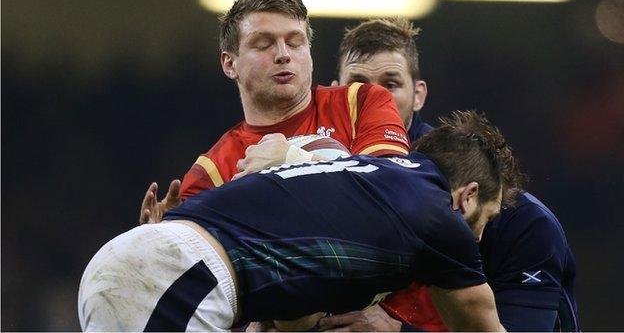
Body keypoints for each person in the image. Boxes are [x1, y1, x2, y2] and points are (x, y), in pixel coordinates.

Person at [79, 111, 516, 332]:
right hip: (177, 277)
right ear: (468, 196)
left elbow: (294, 313)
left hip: (155, 267)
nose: (477, 238)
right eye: (486, 220)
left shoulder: (365, 185)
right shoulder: (437, 215)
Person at [320, 18, 579, 331]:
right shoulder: (317, 187)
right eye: (358, 83)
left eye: (390, 83)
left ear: (419, 95)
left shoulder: (517, 220)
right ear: (334, 97)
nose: (374, 97)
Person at [139, 0, 409, 224]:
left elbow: (398, 196)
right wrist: (170, 238)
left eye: (294, 42)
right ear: (229, 64)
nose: (283, 55)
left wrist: (292, 162)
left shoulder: (361, 102)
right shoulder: (212, 172)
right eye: (263, 44)